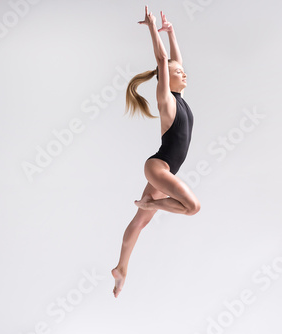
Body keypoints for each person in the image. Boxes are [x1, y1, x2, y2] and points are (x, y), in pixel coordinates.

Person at [112, 6, 201, 298]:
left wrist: (172, 31)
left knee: (140, 222)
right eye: (177, 73)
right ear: (166, 80)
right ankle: (152, 205)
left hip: (165, 169)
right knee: (192, 207)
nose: (183, 73)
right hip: (158, 167)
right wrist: (153, 28)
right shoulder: (166, 100)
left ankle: (121, 269)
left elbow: (175, 59)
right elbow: (163, 59)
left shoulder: (180, 98)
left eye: (183, 71)